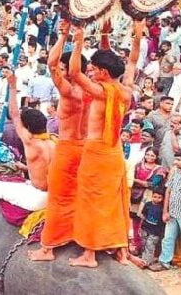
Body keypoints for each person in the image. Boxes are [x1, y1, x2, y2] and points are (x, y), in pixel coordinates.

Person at [66, 21, 142, 267]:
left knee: (91, 200)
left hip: (97, 152)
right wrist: (136, 34)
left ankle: (89, 254)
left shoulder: (100, 91)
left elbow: (73, 73)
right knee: (114, 201)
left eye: (95, 68)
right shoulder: (126, 90)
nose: (91, 71)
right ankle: (120, 251)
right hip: (115, 152)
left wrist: (78, 41)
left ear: (104, 73)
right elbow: (131, 61)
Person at [30, 21, 90, 261]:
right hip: (87, 148)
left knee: (58, 196)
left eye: (65, 69)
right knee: (81, 195)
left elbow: (51, 63)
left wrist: (64, 36)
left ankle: (48, 248)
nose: (60, 71)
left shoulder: (69, 90)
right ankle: (80, 237)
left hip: (67, 147)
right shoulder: (94, 88)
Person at [0, 75, 54, 211]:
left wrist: (13, 86)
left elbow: (14, 114)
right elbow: (44, 169)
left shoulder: (31, 142)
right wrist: (24, 167)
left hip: (39, 197)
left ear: (28, 129)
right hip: (55, 193)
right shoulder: (53, 142)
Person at [149, 150, 181, 278]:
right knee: (168, 239)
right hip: (172, 213)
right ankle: (164, 262)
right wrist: (165, 211)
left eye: (179, 160)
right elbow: (168, 192)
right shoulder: (176, 173)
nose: (175, 162)